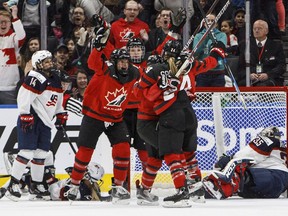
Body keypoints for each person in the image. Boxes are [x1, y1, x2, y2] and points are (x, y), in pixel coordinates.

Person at [135, 39, 226, 207]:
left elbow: (140, 94)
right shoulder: (188, 66)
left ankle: (183, 190)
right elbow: (209, 63)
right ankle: (194, 186)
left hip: (166, 117)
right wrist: (218, 50)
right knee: (175, 153)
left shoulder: (156, 70)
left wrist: (159, 87)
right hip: (178, 114)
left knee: (169, 154)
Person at [65, 18, 140, 204]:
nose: (124, 65)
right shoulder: (105, 69)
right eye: (121, 61)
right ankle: (74, 185)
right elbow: (92, 62)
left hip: (116, 118)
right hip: (94, 116)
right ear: (115, 62)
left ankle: (119, 187)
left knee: (123, 149)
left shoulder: (135, 73)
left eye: (126, 61)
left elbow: (149, 79)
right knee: (85, 151)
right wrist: (98, 47)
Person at [5, 50, 68, 201]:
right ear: (38, 64)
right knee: (26, 152)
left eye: (50, 61)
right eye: (45, 62)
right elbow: (23, 96)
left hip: (46, 122)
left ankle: (36, 184)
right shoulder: (35, 77)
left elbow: (57, 100)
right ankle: (13, 183)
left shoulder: (56, 78)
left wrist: (60, 113)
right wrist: (24, 113)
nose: (49, 64)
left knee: (41, 154)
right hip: (32, 118)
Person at [202, 126, 288, 199]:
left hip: (270, 176)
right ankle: (214, 189)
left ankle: (214, 187)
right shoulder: (282, 151)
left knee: (239, 171)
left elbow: (247, 155)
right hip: (276, 188)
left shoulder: (269, 140)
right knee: (242, 185)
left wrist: (229, 158)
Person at [237, 19, 286, 86]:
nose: (256, 31)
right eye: (254, 29)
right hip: (251, 78)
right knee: (240, 85)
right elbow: (240, 68)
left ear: (266, 31)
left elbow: (281, 66)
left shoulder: (276, 45)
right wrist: (249, 75)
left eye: (259, 28)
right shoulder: (245, 46)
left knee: (263, 86)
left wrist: (268, 75)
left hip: (270, 78)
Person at [193, 13, 227, 87]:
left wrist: (213, 38)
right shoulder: (198, 36)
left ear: (216, 24)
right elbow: (195, 53)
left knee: (218, 97)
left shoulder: (222, 35)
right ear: (204, 23)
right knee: (201, 97)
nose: (210, 23)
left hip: (218, 72)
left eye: (212, 21)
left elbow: (221, 48)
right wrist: (206, 37)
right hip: (202, 72)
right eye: (208, 21)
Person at [0, 5, 25, 104]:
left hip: (10, 88)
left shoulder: (13, 37)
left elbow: (21, 37)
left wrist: (14, 16)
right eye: (0, 22)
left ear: (10, 24)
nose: (3, 24)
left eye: (6, 22)